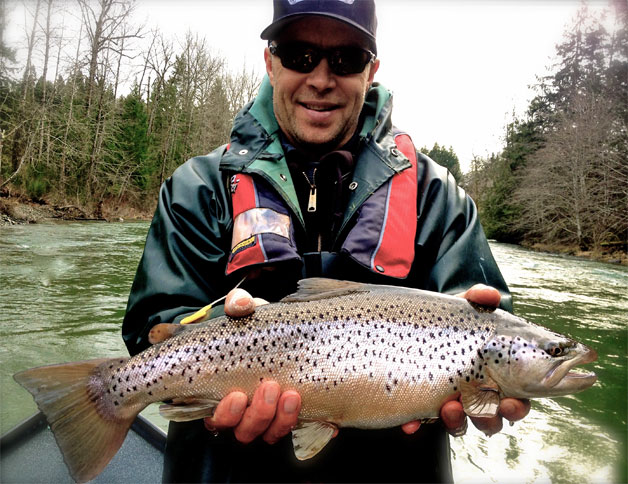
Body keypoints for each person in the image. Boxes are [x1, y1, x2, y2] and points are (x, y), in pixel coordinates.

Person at [122, 1, 530, 481]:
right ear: (270, 62)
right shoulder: (198, 187)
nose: (320, 78)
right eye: (299, 54)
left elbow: (495, 333)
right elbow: (151, 329)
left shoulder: (437, 196)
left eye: (346, 58)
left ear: (371, 71)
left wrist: (493, 370)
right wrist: (219, 333)